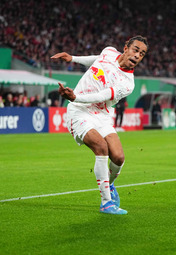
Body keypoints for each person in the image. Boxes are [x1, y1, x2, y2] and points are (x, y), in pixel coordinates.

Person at [51, 35, 148, 214]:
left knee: (118, 157)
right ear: (126, 48)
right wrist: (72, 58)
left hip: (101, 115)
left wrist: (75, 96)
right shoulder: (109, 51)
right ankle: (106, 203)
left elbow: (102, 95)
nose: (137, 55)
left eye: (142, 54)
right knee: (101, 147)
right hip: (79, 112)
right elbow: (97, 58)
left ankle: (109, 185)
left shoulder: (127, 84)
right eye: (136, 50)